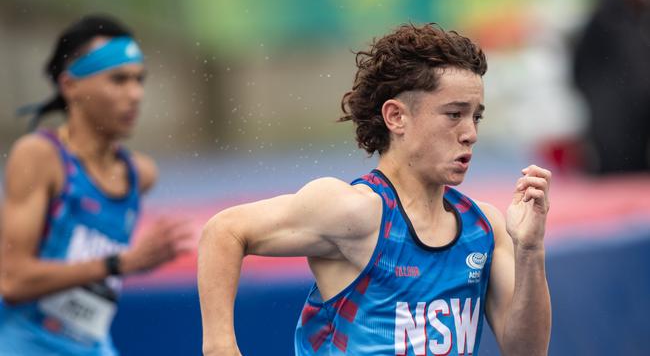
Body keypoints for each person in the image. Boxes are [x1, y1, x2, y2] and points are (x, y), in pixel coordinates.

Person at [198, 23, 551, 356]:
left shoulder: (484, 228)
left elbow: (526, 351)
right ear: (396, 117)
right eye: (454, 114)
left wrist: (530, 249)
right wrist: (220, 347)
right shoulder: (355, 212)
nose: (470, 133)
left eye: (476, 116)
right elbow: (223, 231)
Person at [0, 14, 194, 355]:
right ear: (70, 86)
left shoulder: (140, 174)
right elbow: (12, 281)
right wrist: (119, 264)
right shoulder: (40, 158)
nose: (135, 94)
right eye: (118, 80)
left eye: (139, 80)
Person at [573, 0, 650, 174]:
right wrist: (605, 104)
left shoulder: (637, 17)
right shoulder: (606, 19)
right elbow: (580, 70)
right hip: (613, 129)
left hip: (638, 126)